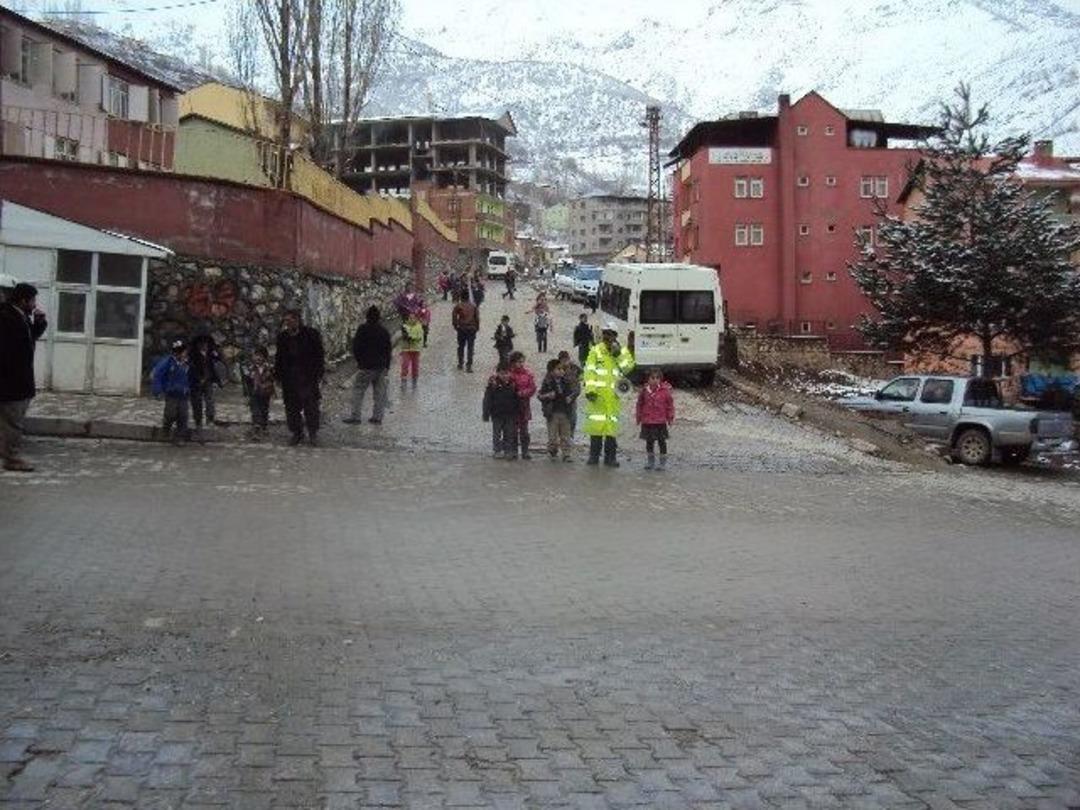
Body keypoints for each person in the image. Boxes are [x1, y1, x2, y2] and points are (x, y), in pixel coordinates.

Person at [0, 283, 48, 472]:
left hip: (19, 380)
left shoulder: (20, 316)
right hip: (11, 382)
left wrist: (39, 324)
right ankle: (11, 458)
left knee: (10, 421)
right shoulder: (6, 318)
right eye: (33, 300)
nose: (35, 304)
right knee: (13, 422)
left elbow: (27, 341)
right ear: (23, 300)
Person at [583, 322, 635, 467]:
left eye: (610, 334)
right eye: (605, 333)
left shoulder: (622, 351)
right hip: (597, 397)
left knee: (611, 429)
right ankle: (594, 457)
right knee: (596, 428)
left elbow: (628, 368)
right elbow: (589, 371)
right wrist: (590, 390)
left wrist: (618, 354)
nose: (607, 336)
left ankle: (610, 458)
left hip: (613, 398)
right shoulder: (595, 351)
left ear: (615, 336)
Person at [275, 309, 326, 446]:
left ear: (297, 320)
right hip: (289, 378)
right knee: (291, 407)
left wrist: (319, 373)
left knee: (311, 406)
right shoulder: (283, 337)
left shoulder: (311, 335)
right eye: (286, 321)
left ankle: (313, 433)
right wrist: (278, 376)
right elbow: (279, 357)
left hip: (307, 377)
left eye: (290, 320)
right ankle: (297, 433)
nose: (287, 324)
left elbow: (319, 355)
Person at [345, 305, 391, 424]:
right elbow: (388, 350)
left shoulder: (362, 329)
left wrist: (360, 361)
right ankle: (377, 417)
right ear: (379, 317)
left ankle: (355, 417)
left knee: (358, 390)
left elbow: (356, 347)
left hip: (366, 366)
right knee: (379, 393)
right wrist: (387, 366)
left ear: (367, 317)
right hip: (380, 367)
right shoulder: (384, 331)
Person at [151, 339, 192, 446]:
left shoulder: (188, 364)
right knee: (171, 414)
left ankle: (180, 437)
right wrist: (157, 391)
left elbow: (193, 377)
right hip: (171, 394)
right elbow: (158, 376)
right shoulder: (167, 362)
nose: (183, 354)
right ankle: (166, 427)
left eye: (184, 351)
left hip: (184, 394)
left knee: (183, 416)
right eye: (180, 352)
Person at [636, 369, 675, 470]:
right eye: (652, 378)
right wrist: (638, 416)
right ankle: (650, 461)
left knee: (662, 441)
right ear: (648, 379)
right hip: (647, 421)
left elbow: (669, 405)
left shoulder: (665, 391)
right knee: (649, 442)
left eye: (657, 378)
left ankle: (662, 462)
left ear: (660, 379)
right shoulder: (644, 391)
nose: (655, 380)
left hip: (660, 421)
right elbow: (639, 404)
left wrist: (670, 417)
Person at [538, 358, 574, 462]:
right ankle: (553, 452)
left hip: (565, 412)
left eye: (562, 369)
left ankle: (566, 454)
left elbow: (572, 393)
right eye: (558, 369)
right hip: (552, 413)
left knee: (565, 435)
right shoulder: (547, 382)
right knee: (552, 435)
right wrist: (548, 395)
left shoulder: (566, 381)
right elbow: (540, 395)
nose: (561, 371)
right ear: (551, 371)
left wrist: (570, 398)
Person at [482, 360, 519, 460]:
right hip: (496, 414)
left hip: (510, 414)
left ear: (510, 373)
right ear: (497, 373)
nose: (504, 375)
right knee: (497, 433)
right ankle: (497, 450)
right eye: (502, 373)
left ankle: (508, 451)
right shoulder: (493, 385)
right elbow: (487, 400)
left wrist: (518, 412)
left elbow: (517, 399)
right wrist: (486, 413)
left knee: (509, 433)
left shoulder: (513, 385)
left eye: (506, 373)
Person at [188, 333, 223, 432]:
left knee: (210, 400)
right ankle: (198, 421)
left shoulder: (211, 353)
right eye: (202, 343)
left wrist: (217, 351)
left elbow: (218, 360)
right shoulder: (193, 354)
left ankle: (210, 419)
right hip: (196, 381)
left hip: (208, 380)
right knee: (197, 402)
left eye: (206, 343)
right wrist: (198, 378)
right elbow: (191, 368)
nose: (204, 345)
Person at [508, 351, 537, 460]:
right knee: (513, 430)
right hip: (512, 406)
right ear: (513, 362)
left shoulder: (528, 374)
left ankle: (525, 451)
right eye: (519, 362)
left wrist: (523, 393)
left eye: (522, 362)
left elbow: (533, 388)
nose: (521, 364)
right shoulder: (509, 374)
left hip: (524, 405)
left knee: (524, 430)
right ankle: (514, 451)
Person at [246, 346, 275, 438]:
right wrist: (247, 393)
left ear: (264, 357)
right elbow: (246, 381)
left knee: (264, 409)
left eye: (260, 356)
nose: (258, 358)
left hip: (265, 392)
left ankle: (264, 426)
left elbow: (272, 379)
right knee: (255, 410)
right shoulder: (250, 368)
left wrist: (270, 388)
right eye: (256, 355)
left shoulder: (269, 368)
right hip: (254, 393)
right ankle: (256, 428)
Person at [451, 292, 480, 372]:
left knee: (461, 346)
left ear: (461, 297)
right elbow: (477, 317)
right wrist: (477, 327)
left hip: (462, 328)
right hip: (471, 328)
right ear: (468, 297)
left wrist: (455, 325)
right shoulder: (473, 306)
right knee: (470, 347)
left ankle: (460, 363)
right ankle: (469, 365)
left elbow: (454, 316)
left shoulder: (458, 306)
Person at [557, 350, 582, 437]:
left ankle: (570, 435)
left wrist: (572, 396)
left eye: (566, 359)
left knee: (573, 418)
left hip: (572, 396)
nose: (565, 362)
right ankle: (562, 436)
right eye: (562, 360)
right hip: (561, 399)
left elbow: (580, 379)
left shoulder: (574, 368)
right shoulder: (557, 370)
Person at [399, 310, 424, 385]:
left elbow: (419, 337)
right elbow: (402, 337)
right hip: (406, 348)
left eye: (413, 318)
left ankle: (415, 377)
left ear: (416, 318)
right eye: (410, 318)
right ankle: (403, 377)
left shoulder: (419, 326)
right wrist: (404, 336)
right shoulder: (404, 326)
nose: (411, 319)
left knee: (415, 364)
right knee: (405, 364)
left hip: (416, 349)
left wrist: (411, 337)